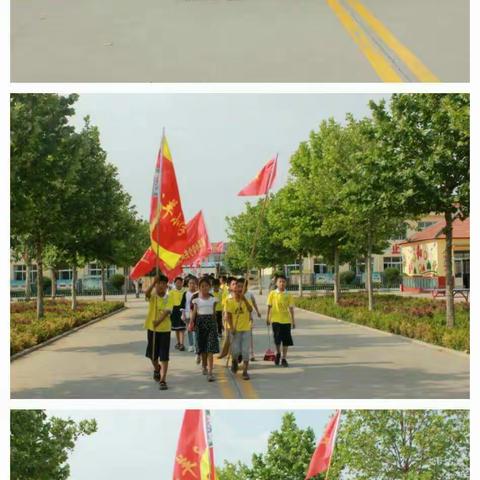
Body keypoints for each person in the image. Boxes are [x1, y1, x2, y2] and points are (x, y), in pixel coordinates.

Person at [144, 274, 174, 390]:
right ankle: (157, 368)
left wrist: (158, 321)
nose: (160, 286)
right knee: (152, 355)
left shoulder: (169, 297)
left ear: (166, 285)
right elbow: (146, 294)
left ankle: (163, 379)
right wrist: (152, 283)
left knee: (164, 355)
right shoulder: (153, 296)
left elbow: (167, 311)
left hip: (164, 330)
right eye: (158, 283)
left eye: (163, 283)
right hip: (152, 329)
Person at [191, 277, 219, 382]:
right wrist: (191, 323)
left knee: (210, 349)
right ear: (199, 287)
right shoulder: (196, 300)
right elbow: (194, 312)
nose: (204, 288)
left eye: (206, 286)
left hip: (211, 324)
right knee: (203, 349)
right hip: (200, 324)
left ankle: (210, 372)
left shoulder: (214, 299)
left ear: (209, 287)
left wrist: (218, 325)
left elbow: (214, 313)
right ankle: (204, 365)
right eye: (202, 286)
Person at [225, 277, 253, 380]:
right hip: (235, 330)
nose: (240, 288)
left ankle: (245, 371)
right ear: (233, 288)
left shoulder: (247, 299)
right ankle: (234, 361)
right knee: (235, 351)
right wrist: (231, 328)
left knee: (245, 351)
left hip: (246, 329)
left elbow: (250, 309)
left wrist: (244, 299)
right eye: (238, 286)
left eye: (242, 286)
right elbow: (228, 316)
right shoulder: (229, 301)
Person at [266, 274, 295, 367]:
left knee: (286, 340)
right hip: (275, 320)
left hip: (286, 320)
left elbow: (291, 308)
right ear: (276, 283)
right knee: (277, 340)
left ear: (286, 283)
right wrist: (267, 318)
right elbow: (269, 306)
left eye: (283, 281)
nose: (282, 283)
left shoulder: (288, 294)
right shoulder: (272, 293)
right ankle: (278, 353)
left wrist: (293, 321)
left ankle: (284, 358)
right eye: (280, 281)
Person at [180, 277, 198, 353]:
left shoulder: (197, 293)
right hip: (187, 314)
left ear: (196, 284)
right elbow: (182, 305)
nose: (192, 285)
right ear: (188, 284)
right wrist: (183, 314)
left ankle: (196, 346)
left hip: (196, 314)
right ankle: (191, 345)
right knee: (189, 330)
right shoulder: (185, 293)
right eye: (190, 283)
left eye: (193, 283)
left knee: (196, 331)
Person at [244, 279, 261, 361]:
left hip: (249, 318)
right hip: (240, 319)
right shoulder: (237, 295)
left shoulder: (250, 294)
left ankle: (252, 354)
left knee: (249, 336)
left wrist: (257, 311)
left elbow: (254, 303)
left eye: (244, 285)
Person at [170, 276, 186, 351]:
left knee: (182, 328)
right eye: (177, 283)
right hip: (174, 310)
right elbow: (169, 302)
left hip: (182, 310)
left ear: (182, 283)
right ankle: (178, 342)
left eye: (180, 283)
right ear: (174, 283)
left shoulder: (185, 291)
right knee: (176, 328)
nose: (178, 284)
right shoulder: (172, 292)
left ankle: (182, 344)